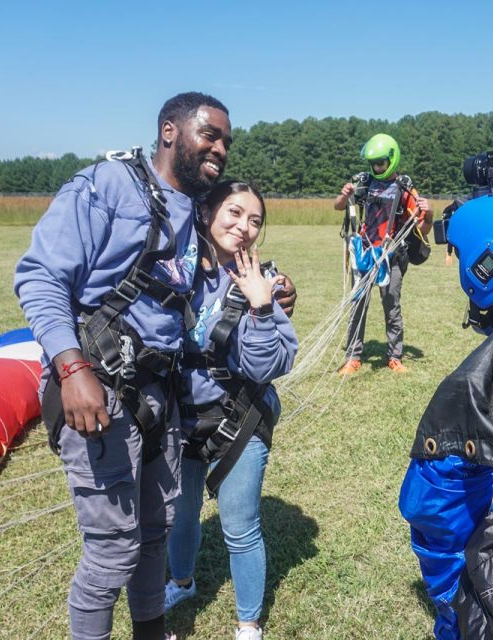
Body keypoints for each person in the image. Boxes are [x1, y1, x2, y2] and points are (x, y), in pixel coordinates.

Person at [15, 93, 296, 640]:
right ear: (169, 131)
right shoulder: (108, 186)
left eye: (226, 141)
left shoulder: (195, 210)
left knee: (153, 534)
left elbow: (217, 290)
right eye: (208, 134)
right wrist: (71, 368)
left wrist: (272, 298)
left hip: (161, 399)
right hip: (101, 387)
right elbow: (40, 276)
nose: (219, 148)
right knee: (111, 551)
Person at [164, 181, 297, 640]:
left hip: (240, 418)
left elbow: (267, 365)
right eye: (234, 213)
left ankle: (248, 623)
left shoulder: (267, 282)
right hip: (179, 421)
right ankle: (180, 582)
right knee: (179, 517)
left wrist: (261, 307)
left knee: (240, 525)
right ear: (204, 213)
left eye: (255, 220)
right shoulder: (173, 274)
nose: (244, 227)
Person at [332, 133, 432, 375]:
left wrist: (428, 213)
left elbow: (422, 228)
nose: (377, 167)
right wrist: (345, 195)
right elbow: (337, 206)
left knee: (391, 305)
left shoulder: (405, 188)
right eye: (373, 163)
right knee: (358, 306)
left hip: (393, 256)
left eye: (381, 163)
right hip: (366, 254)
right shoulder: (366, 184)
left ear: (392, 160)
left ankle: (394, 356)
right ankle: (353, 357)